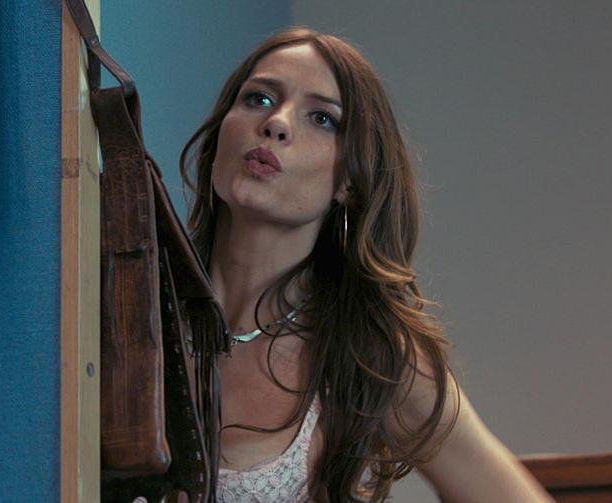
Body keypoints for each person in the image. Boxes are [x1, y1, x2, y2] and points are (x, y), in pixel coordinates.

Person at [180, 27, 553, 502]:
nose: (276, 122)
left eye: (322, 118)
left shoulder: (370, 354)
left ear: (350, 182)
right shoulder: (129, 304)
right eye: (259, 98)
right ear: (221, 132)